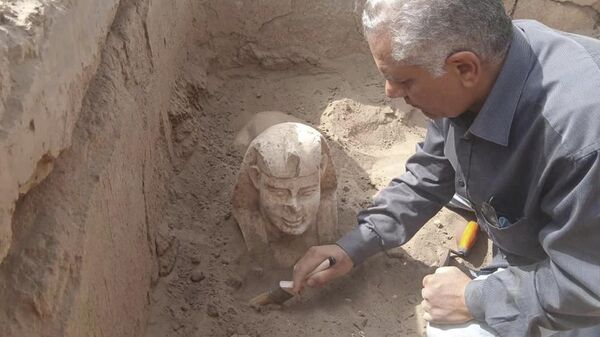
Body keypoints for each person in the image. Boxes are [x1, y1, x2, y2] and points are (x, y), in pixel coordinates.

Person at [291, 1, 600, 336]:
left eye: (405, 81)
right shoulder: (486, 60)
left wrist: (475, 297)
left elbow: (586, 286)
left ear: (464, 68)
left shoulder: (580, 141)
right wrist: (353, 246)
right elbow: (430, 173)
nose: (391, 93)